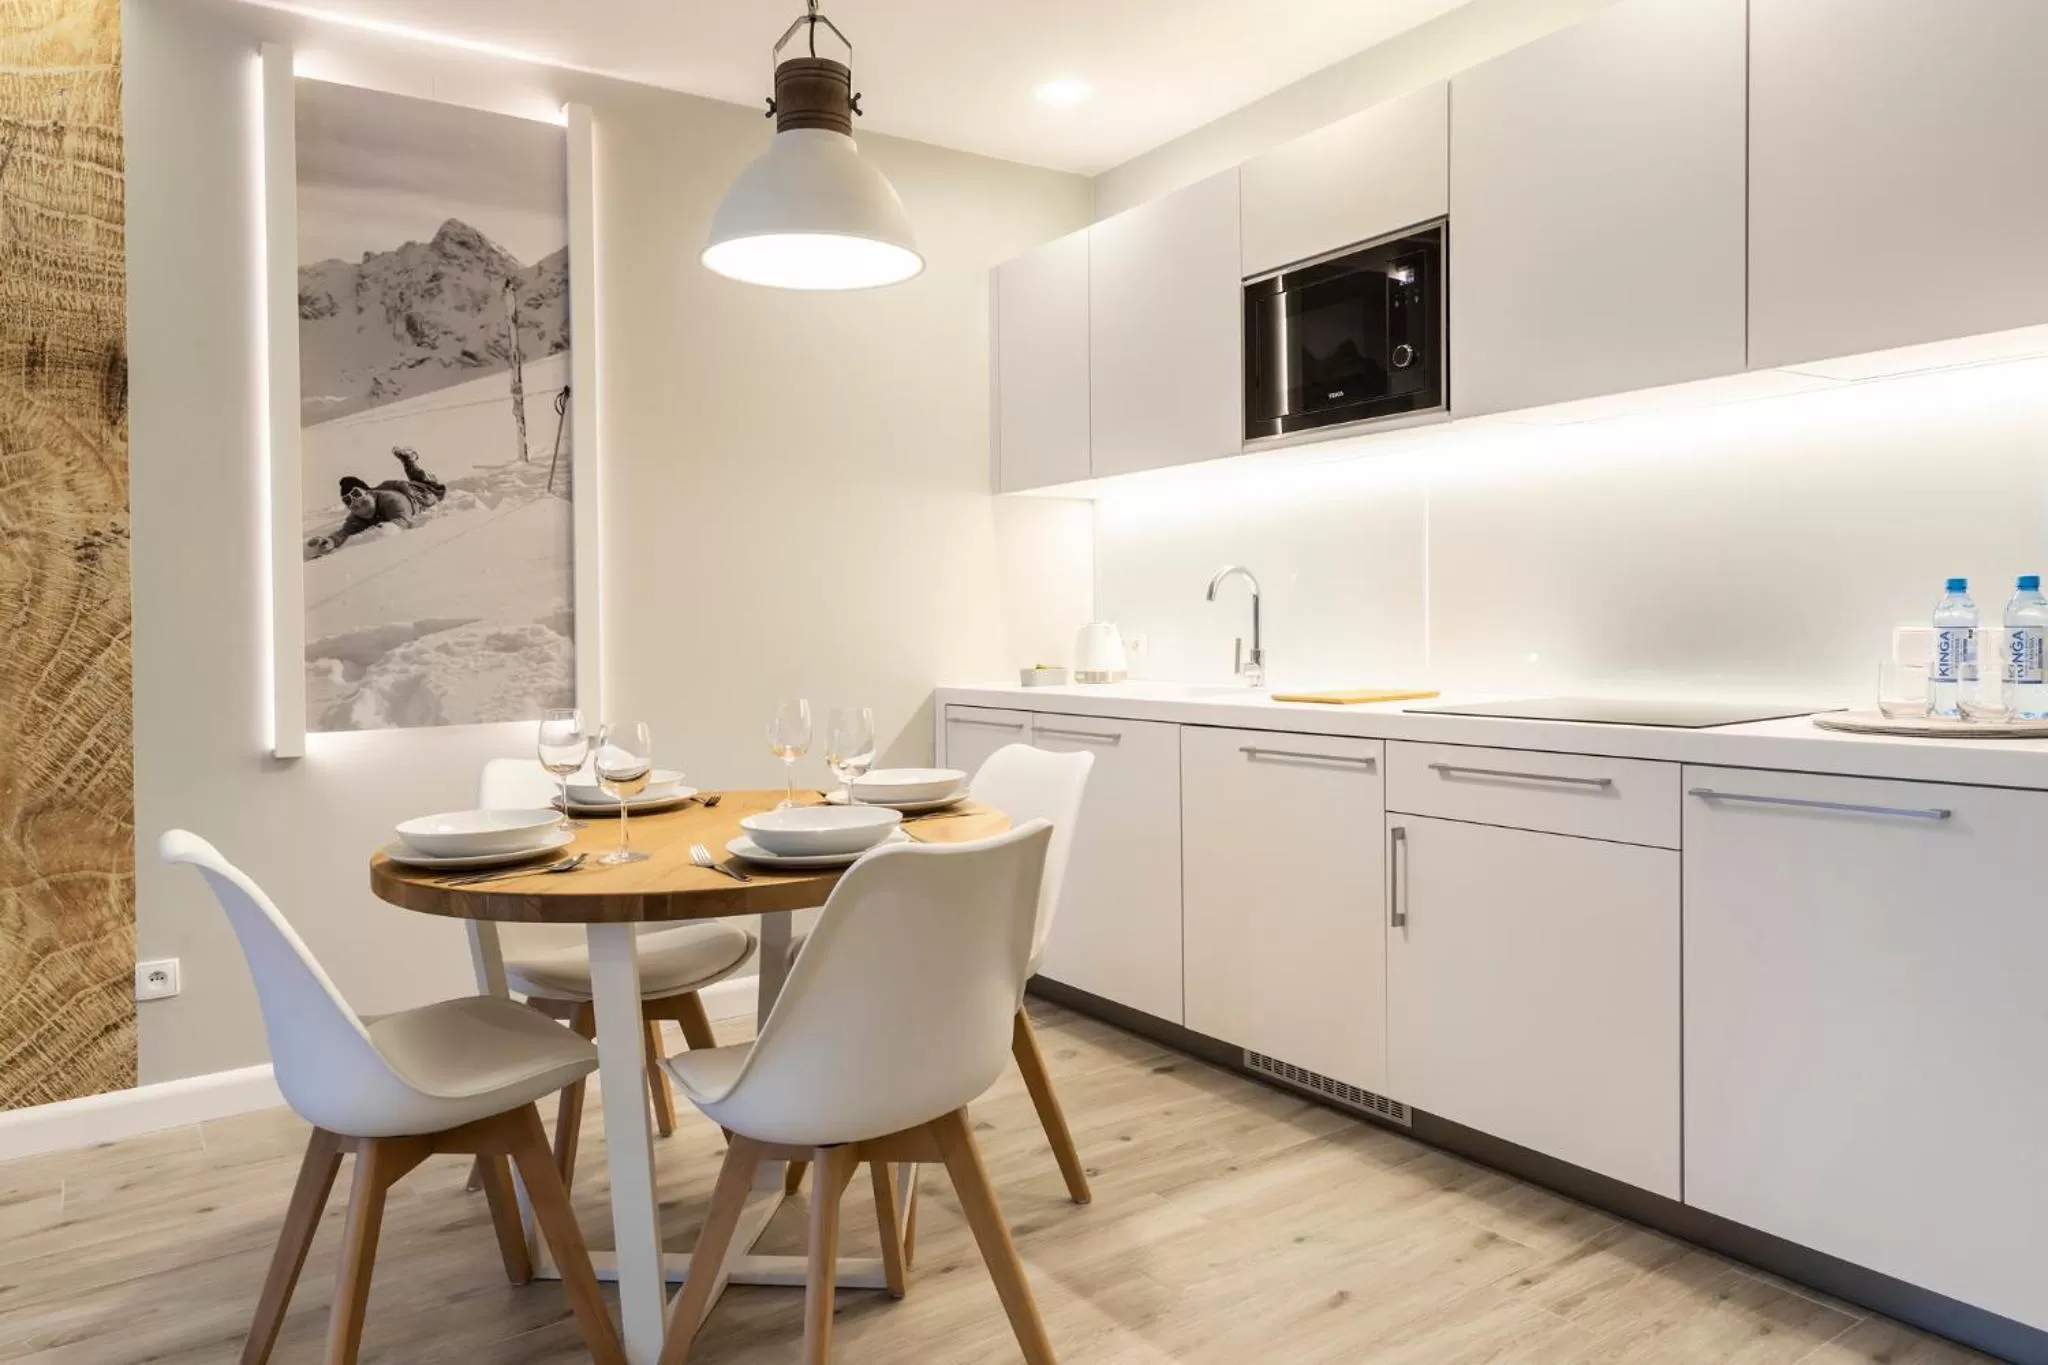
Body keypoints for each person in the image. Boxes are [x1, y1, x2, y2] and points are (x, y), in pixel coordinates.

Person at [305, 447, 447, 558]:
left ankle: (410, 462)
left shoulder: (393, 500)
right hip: (391, 489)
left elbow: (402, 521)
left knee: (428, 484)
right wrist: (331, 541)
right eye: (355, 508)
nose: (362, 510)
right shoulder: (359, 514)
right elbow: (346, 531)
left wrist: (385, 529)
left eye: (364, 503)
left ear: (370, 494)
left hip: (419, 493)